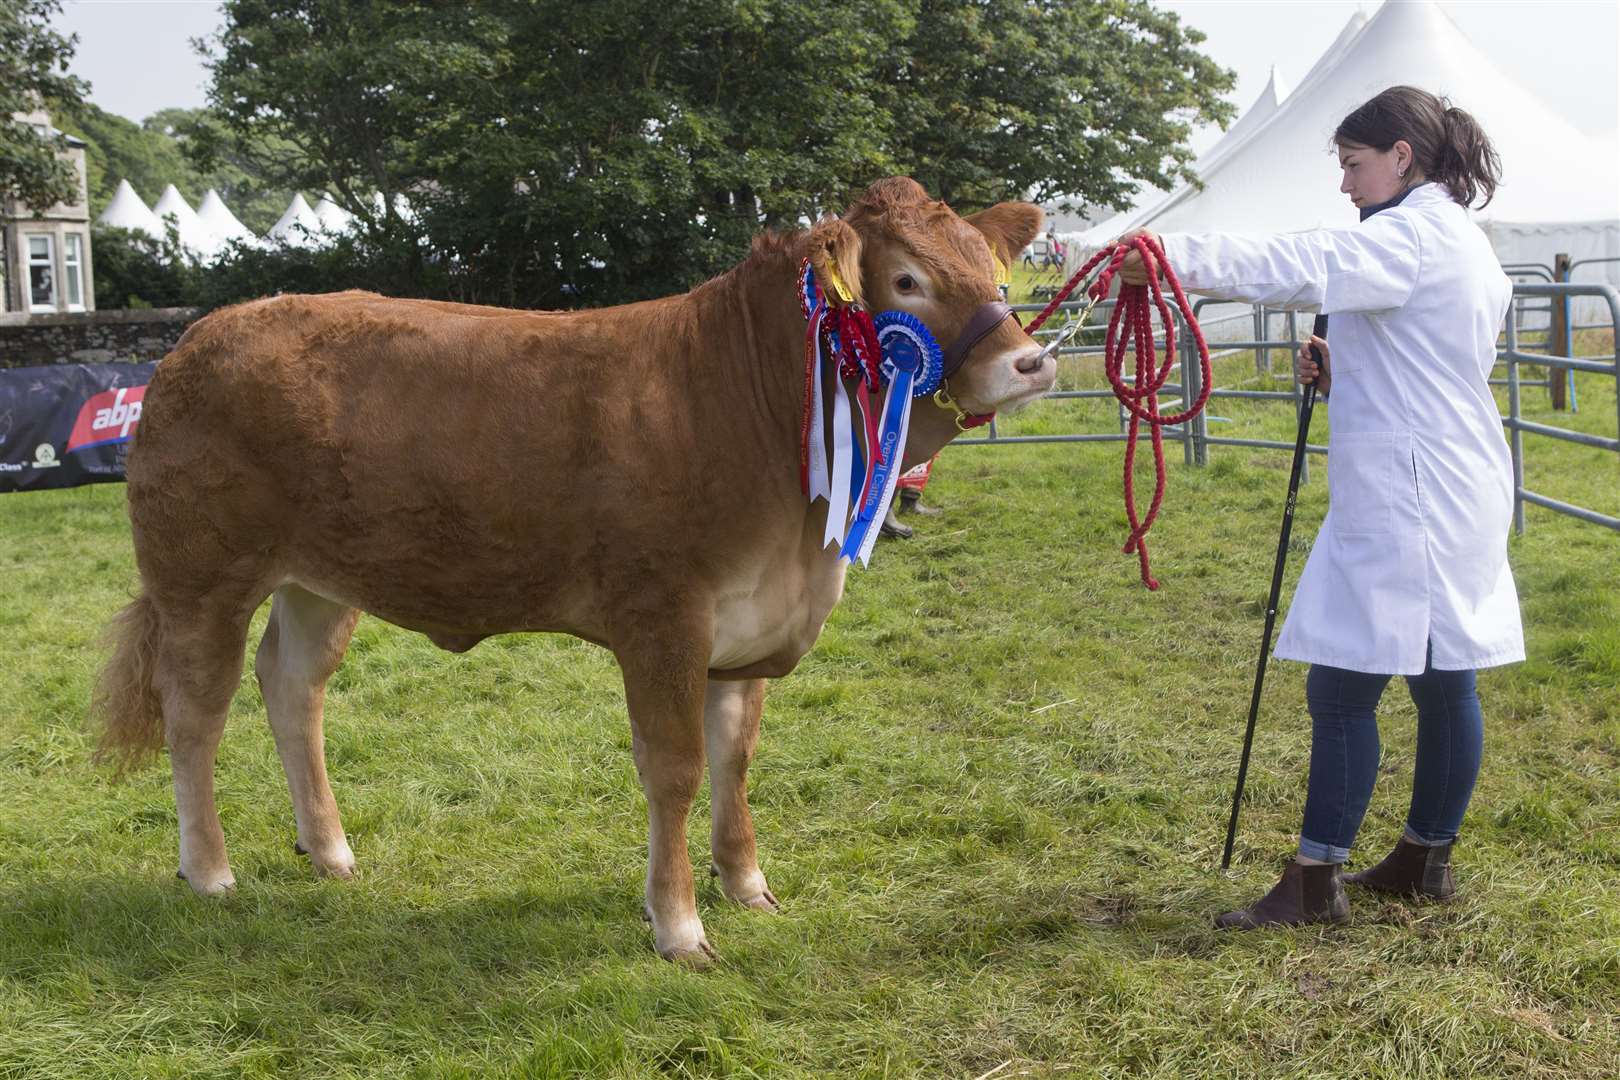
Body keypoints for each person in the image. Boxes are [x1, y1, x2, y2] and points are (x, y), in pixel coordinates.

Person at [1118, 85, 1522, 929]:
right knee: (1446, 682)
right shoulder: (1463, 242)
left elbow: (1299, 262)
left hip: (1409, 497)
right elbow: (1429, 362)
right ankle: (1424, 860)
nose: (1346, 185)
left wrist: (1169, 256)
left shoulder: (1408, 235)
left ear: (1401, 156)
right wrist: (1348, 369)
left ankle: (1313, 883)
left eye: (1353, 163)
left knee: (1343, 690)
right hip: (1453, 481)